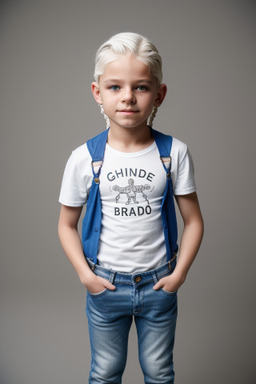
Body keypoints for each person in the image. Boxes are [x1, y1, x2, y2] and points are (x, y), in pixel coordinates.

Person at [58, 32, 204, 384]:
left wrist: (178, 276)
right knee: (105, 372)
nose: (127, 97)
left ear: (159, 94)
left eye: (140, 87)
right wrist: (86, 277)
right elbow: (66, 225)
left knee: (159, 372)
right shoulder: (84, 159)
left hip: (159, 286)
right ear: (97, 92)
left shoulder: (174, 153)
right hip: (105, 285)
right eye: (114, 87)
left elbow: (194, 221)